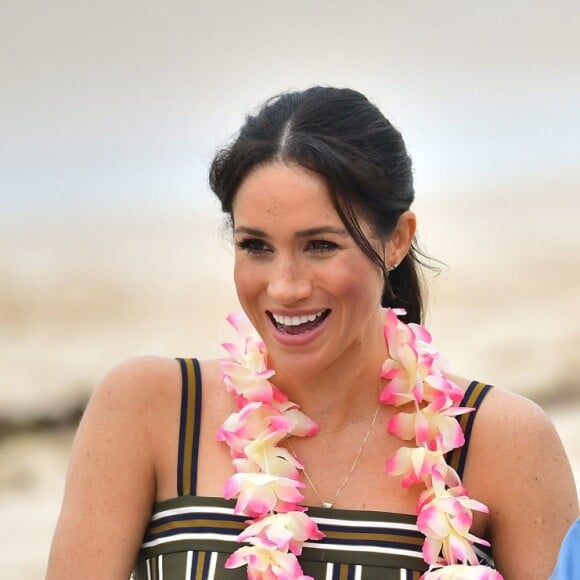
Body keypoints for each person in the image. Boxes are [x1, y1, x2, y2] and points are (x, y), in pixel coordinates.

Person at [46, 87, 579, 580]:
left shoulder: (505, 441)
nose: (284, 287)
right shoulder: (150, 408)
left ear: (396, 241)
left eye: (320, 246)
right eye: (256, 246)